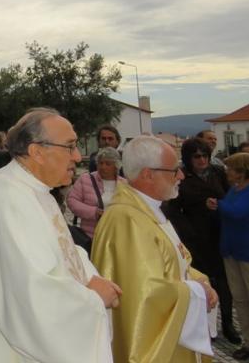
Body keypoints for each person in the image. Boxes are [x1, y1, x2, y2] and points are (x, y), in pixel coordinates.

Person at [0, 107, 117, 363]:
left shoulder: (37, 190)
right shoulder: (8, 197)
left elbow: (64, 251)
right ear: (37, 152)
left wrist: (92, 277)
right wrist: (93, 300)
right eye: (70, 146)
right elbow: (30, 294)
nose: (77, 156)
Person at [92, 135, 217, 362]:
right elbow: (143, 296)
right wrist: (195, 292)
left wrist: (203, 282)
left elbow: (175, 263)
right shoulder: (125, 220)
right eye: (174, 170)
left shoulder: (148, 210)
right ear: (148, 174)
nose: (180, 176)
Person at [166, 138, 239, 343]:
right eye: (197, 156)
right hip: (194, 238)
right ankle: (205, 327)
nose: (202, 160)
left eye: (205, 155)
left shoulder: (218, 174)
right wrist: (189, 226)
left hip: (220, 234)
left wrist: (220, 205)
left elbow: (230, 197)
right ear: (188, 158)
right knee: (202, 282)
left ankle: (227, 324)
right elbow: (172, 208)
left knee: (224, 283)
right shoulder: (182, 177)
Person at [214, 152, 249, 360]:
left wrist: (218, 205)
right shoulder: (235, 190)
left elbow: (237, 212)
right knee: (241, 299)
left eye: (231, 169)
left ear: (242, 172)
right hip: (232, 250)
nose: (227, 172)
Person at [67, 146, 126, 238]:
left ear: (116, 166)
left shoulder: (125, 184)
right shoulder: (85, 179)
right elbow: (72, 201)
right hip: (91, 236)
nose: (103, 167)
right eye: (100, 163)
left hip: (117, 235)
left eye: (108, 164)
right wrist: (93, 212)